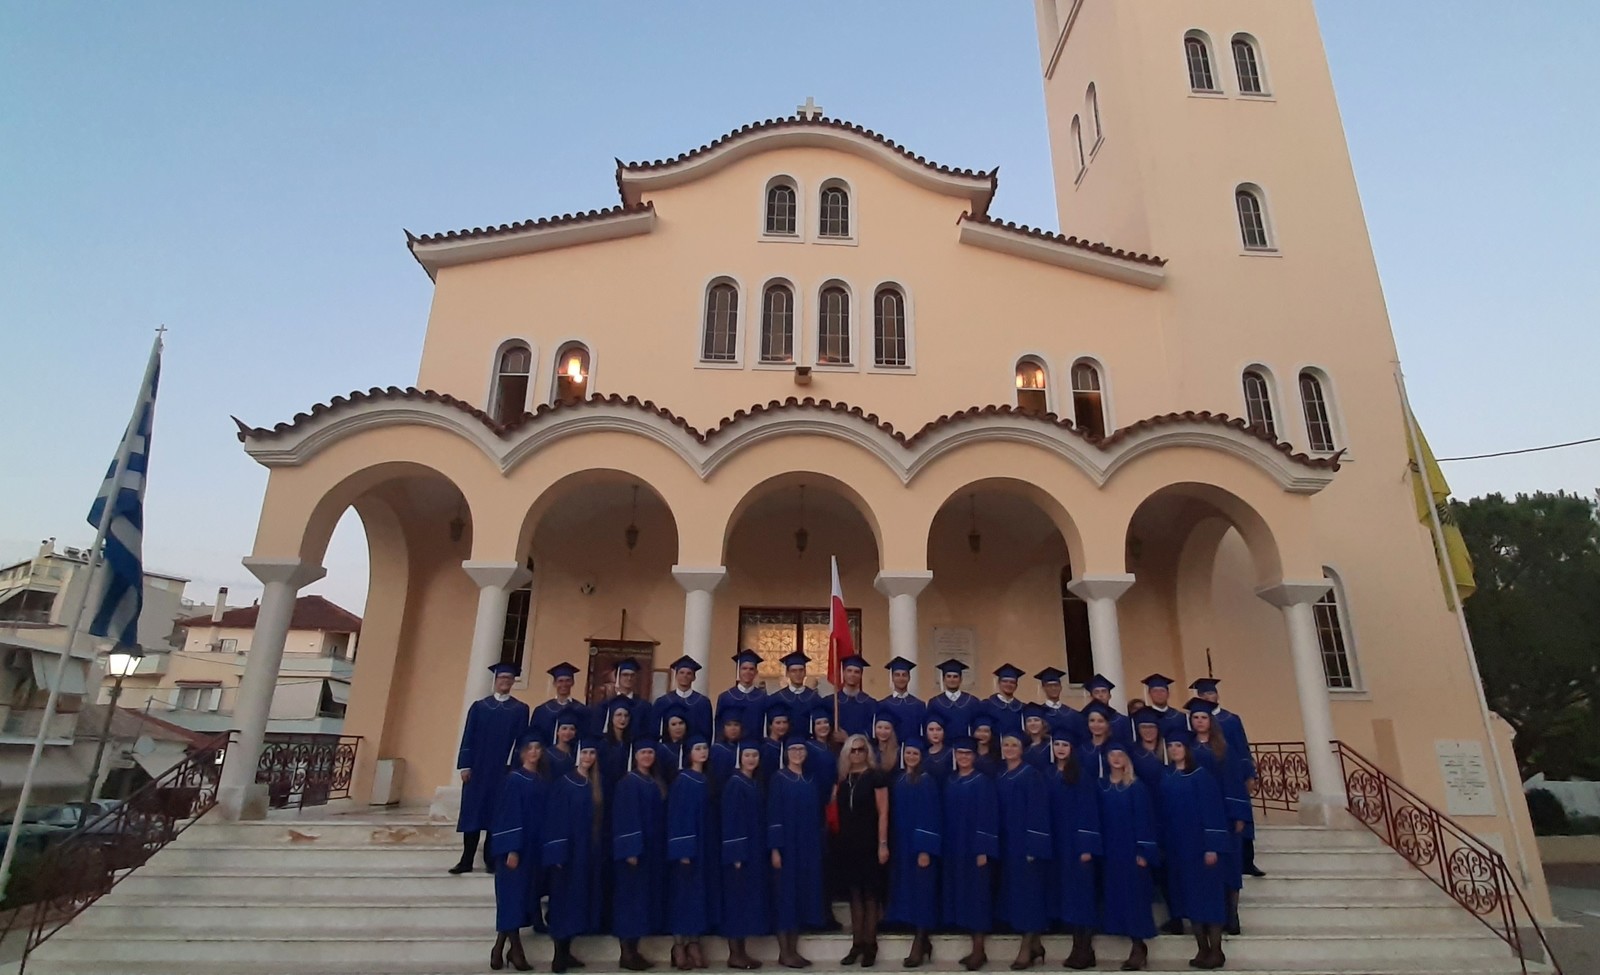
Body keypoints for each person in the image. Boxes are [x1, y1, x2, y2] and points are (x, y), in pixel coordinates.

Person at [1160, 734, 1230, 971]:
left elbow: (1213, 812)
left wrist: (1212, 846)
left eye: (1178, 745)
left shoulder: (1201, 776)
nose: (1174, 749)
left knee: (1209, 899)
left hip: (1202, 849)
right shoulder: (1167, 777)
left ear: (1187, 749)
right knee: (1190, 899)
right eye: (1170, 746)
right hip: (1179, 849)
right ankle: (1202, 949)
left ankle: (1216, 950)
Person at [454, 663, 531, 875]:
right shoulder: (480, 707)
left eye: (509, 678)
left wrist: (516, 768)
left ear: (513, 682)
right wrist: (465, 765)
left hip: (502, 770)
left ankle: (490, 860)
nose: (505, 681)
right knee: (473, 813)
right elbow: (468, 735)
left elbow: (521, 742)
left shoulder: (520, 709)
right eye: (502, 678)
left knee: (496, 815)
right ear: (495, 680)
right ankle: (466, 859)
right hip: (478, 770)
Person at [1186, 700, 1248, 936]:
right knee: (1207, 869)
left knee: (1230, 864)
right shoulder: (1188, 748)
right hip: (1197, 815)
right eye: (1195, 718)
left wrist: (1238, 814)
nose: (1199, 721)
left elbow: (1234, 782)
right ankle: (1211, 915)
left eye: (1203, 717)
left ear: (1210, 721)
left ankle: (1232, 913)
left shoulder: (1223, 748)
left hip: (1224, 812)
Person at [1190, 678, 1262, 877]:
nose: (1207, 697)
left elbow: (1242, 747)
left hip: (1232, 775)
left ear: (1217, 695)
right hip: (1209, 783)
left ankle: (1248, 862)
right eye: (1203, 694)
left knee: (1241, 822)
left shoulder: (1231, 719)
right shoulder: (1193, 727)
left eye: (1210, 693)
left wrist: (1249, 774)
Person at [544, 738, 604, 973]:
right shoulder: (565, 783)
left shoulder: (595, 784)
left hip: (588, 851)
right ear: (577, 755)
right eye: (585, 752)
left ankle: (567, 951)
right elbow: (555, 819)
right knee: (562, 900)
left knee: (577, 900)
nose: (588, 757)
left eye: (592, 753)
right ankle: (558, 955)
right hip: (568, 852)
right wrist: (557, 852)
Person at [1097, 742, 1158, 972]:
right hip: (1110, 853)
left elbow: (1144, 821)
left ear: (1126, 759)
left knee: (1135, 899)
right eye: (1112, 754)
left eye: (1120, 754)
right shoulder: (1101, 786)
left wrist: (1143, 851)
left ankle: (1138, 946)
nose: (1116, 758)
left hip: (1131, 852)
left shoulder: (1135, 787)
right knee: (1117, 896)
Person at [994, 731, 1051, 971]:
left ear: (1022, 749)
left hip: (1026, 845)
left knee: (1030, 895)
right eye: (1005, 744)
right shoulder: (1001, 775)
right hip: (1007, 844)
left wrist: (1034, 846)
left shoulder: (1031, 774)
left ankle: (1026, 947)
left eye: (1014, 745)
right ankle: (1036, 945)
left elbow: (1038, 812)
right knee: (1017, 894)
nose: (1009, 748)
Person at [489, 736, 547, 971]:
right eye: (529, 748)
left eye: (537, 748)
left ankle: (498, 950)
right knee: (511, 898)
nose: (534, 752)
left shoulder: (539, 779)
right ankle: (516, 951)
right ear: (521, 753)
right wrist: (511, 849)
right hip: (515, 849)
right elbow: (509, 815)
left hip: (532, 849)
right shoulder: (515, 779)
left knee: (520, 898)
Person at [833, 733, 890, 966]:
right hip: (848, 844)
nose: (857, 754)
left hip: (870, 842)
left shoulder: (876, 777)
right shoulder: (843, 779)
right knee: (854, 894)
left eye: (861, 749)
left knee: (870, 894)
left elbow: (883, 812)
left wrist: (883, 844)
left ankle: (870, 944)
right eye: (852, 750)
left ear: (868, 752)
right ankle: (856, 943)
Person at [942, 738, 998, 971]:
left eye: (967, 753)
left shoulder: (982, 782)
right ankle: (973, 948)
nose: (963, 757)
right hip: (956, 848)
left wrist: (983, 849)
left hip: (975, 848)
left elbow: (988, 816)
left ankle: (979, 949)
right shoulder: (951, 781)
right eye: (960, 753)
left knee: (978, 897)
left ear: (974, 756)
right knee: (964, 895)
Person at [1045, 736, 1101, 971]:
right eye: (1057, 744)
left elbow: (1089, 811)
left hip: (1076, 844)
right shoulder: (1047, 774)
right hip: (1057, 844)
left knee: (1081, 895)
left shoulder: (1081, 776)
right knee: (1067, 895)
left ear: (1072, 749)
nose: (1060, 749)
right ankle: (1079, 948)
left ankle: (1084, 949)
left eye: (1065, 745)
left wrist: (1086, 846)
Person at [768, 737, 825, 968]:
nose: (798, 753)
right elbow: (774, 815)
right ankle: (785, 952)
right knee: (785, 898)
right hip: (787, 847)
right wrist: (775, 849)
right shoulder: (779, 779)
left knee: (800, 897)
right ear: (786, 753)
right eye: (793, 749)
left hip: (807, 847)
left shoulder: (811, 779)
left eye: (801, 749)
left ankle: (794, 950)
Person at [613, 740, 669, 971]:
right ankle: (626, 953)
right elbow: (625, 818)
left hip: (651, 851)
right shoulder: (629, 782)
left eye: (650, 752)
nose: (647, 756)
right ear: (635, 756)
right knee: (629, 901)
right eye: (643, 752)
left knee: (641, 902)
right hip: (634, 853)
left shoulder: (654, 782)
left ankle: (634, 951)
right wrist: (630, 850)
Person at [886, 736, 941, 968]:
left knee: (922, 891)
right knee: (908, 889)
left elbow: (930, 816)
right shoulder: (899, 779)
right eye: (908, 753)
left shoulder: (926, 781)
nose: (911, 756)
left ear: (921, 757)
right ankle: (922, 939)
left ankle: (920, 939)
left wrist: (925, 849)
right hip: (902, 845)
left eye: (915, 754)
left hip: (919, 846)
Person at [1128, 709, 1180, 935]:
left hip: (1170, 816)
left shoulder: (1169, 751)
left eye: (1152, 727)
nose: (1148, 731)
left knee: (1171, 868)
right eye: (1144, 727)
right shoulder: (1133, 754)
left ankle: (1176, 916)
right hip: (1144, 816)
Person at [668, 737, 717, 970]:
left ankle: (694, 943)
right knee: (683, 896)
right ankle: (679, 946)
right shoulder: (683, 780)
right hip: (688, 848)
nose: (702, 752)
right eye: (697, 748)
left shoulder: (706, 779)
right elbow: (677, 816)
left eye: (705, 748)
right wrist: (683, 850)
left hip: (705, 846)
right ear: (689, 754)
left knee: (698, 897)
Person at [720, 742, 769, 971]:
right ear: (740, 758)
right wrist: (736, 854)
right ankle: (735, 954)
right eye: (747, 755)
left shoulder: (754, 783)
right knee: (736, 902)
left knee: (745, 901)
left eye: (755, 755)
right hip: (739, 854)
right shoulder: (735, 784)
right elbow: (731, 820)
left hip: (754, 850)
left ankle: (742, 952)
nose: (751, 759)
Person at [531, 662, 592, 747]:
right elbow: (534, 736)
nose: (564, 684)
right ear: (554, 683)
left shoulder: (582, 710)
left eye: (568, 680)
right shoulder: (542, 711)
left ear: (573, 682)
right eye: (560, 681)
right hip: (546, 753)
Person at [653, 656, 713, 740]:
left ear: (694, 677)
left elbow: (706, 732)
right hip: (668, 746)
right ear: (676, 676)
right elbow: (655, 729)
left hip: (694, 746)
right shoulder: (663, 702)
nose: (685, 676)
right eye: (681, 672)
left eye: (689, 673)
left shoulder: (702, 702)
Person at [717, 649, 769, 736]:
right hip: (730, 744)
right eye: (744, 668)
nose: (748, 672)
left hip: (755, 742)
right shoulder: (726, 697)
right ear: (739, 671)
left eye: (751, 669)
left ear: (756, 672)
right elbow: (719, 725)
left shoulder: (763, 698)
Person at [927, 659, 982, 739]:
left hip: (966, 744)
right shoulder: (934, 703)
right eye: (949, 676)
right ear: (943, 679)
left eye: (955, 677)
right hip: (943, 745)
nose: (952, 680)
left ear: (961, 679)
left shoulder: (972, 701)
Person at [1034, 668, 1086, 746]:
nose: (1053, 688)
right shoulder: (1039, 714)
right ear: (1043, 688)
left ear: (1061, 687)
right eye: (1049, 686)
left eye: (1056, 685)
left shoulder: (1073, 714)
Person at [829, 654, 877, 739]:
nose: (852, 674)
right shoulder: (831, 701)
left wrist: (847, 739)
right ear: (843, 673)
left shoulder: (870, 704)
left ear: (861, 675)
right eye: (849, 671)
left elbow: (870, 732)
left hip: (861, 746)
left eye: (856, 672)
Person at [601, 657, 651, 737]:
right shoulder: (605, 705)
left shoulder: (644, 706)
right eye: (625, 675)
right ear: (617, 677)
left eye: (632, 675)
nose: (629, 678)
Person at [879, 656, 927, 738]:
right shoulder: (883, 705)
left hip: (913, 745)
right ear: (892, 678)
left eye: (904, 675)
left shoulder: (919, 705)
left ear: (909, 678)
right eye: (897, 675)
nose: (901, 678)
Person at [771, 650, 822, 720]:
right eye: (793, 671)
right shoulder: (777, 698)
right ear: (787, 673)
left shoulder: (814, 697)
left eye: (801, 670)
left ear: (805, 672)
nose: (798, 674)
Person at [1080, 674, 1131, 744]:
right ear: (1091, 696)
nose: (1100, 695)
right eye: (1096, 692)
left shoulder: (1121, 720)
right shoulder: (1082, 719)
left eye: (1104, 691)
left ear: (1109, 696)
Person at [1137, 674, 1188, 741]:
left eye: (1162, 691)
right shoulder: (1142, 716)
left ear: (1168, 694)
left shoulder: (1179, 717)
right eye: (1155, 691)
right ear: (1149, 694)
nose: (1159, 694)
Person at [983, 664, 1026, 742]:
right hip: (993, 747)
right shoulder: (987, 705)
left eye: (1012, 682)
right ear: (999, 683)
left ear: (1016, 685)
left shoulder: (1022, 708)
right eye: (1005, 681)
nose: (1008, 684)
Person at [710, 711, 747, 792]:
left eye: (736, 725)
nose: (733, 729)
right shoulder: (717, 750)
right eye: (728, 725)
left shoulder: (746, 749)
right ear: (723, 727)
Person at [1080, 703, 1116, 781]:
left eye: (1100, 721)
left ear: (1108, 724)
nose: (1096, 725)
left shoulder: (1116, 749)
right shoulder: (1082, 750)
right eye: (1092, 720)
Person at [760, 699, 794, 781]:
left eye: (785, 722)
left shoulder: (786, 744)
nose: (782, 726)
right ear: (770, 726)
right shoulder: (765, 747)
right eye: (778, 723)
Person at [547, 712, 580, 781]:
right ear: (557, 731)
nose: (568, 732)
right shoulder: (548, 754)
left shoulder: (577, 754)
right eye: (564, 728)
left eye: (572, 729)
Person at [921, 715, 953, 786]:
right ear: (926, 732)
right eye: (931, 729)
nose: (935, 733)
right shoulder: (923, 755)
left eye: (938, 729)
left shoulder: (951, 753)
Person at [1021, 704, 1053, 771]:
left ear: (1043, 723)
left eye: (1036, 720)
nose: (1033, 723)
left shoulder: (1051, 745)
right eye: (1029, 721)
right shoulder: (1023, 749)